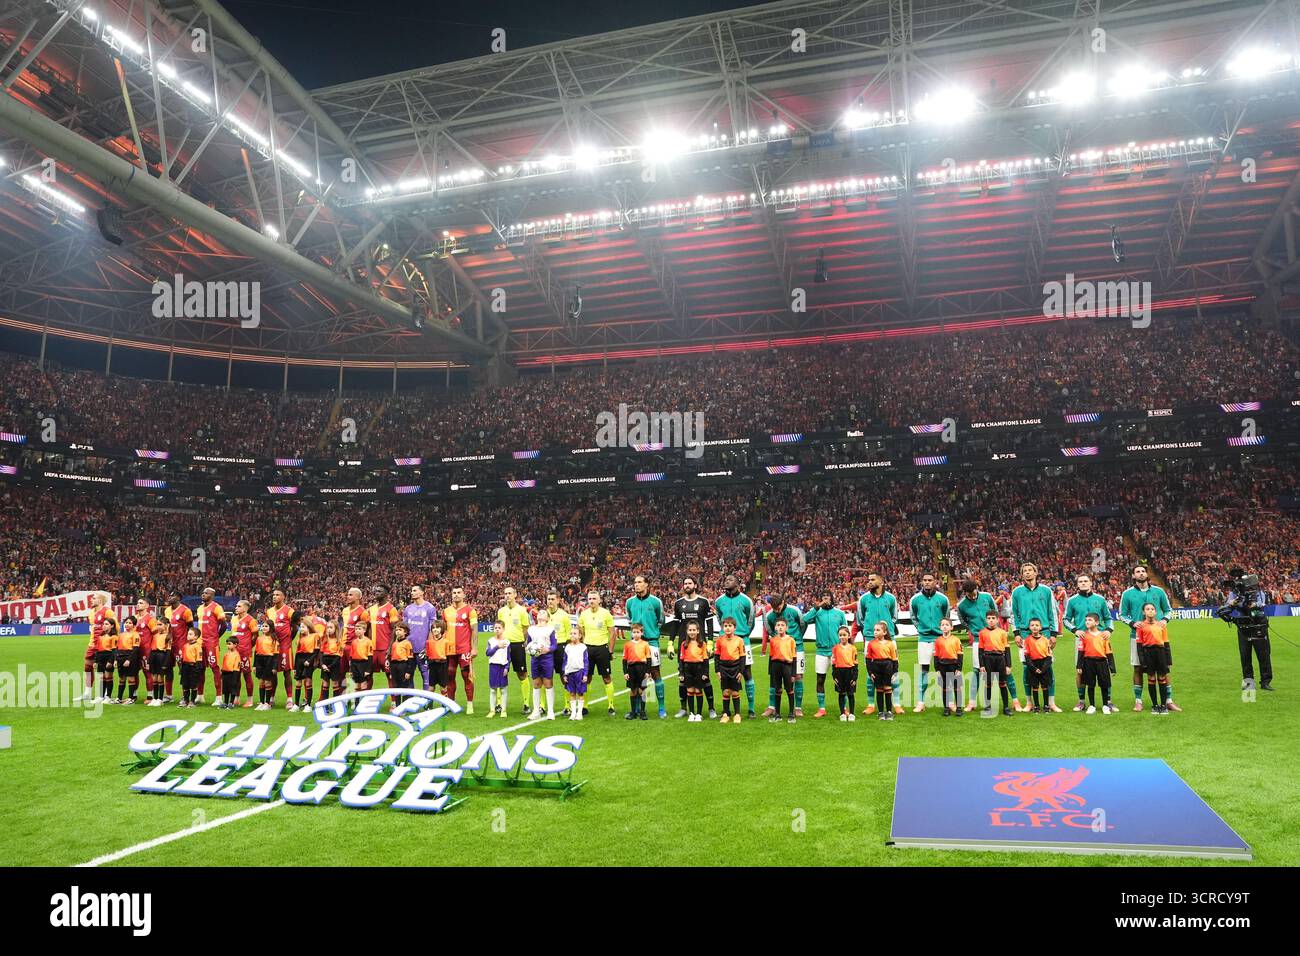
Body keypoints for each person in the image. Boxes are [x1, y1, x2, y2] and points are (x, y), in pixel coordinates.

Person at [1118, 566, 1178, 712]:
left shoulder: (1159, 591)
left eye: (1143, 571)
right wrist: (1132, 623)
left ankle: (1168, 700)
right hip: (1137, 637)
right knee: (1138, 667)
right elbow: (1122, 614)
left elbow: (1168, 610)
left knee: (1164, 669)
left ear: (1147, 574)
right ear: (1133, 575)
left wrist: (1164, 620)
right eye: (1137, 571)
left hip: (1158, 636)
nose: (1141, 573)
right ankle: (1138, 701)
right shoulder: (1127, 594)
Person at [1011, 563, 1059, 711]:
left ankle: (1051, 702)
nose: (1027, 573)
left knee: (1048, 668)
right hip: (1025, 633)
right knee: (1027, 669)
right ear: (1022, 574)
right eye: (1024, 571)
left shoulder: (1046, 591)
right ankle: (1029, 702)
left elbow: (1052, 612)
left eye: (1030, 570)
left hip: (1044, 632)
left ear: (1036, 572)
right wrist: (1017, 633)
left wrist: (1054, 633)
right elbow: (1014, 614)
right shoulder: (1017, 592)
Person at [1063, 573, 1112, 712]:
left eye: (1086, 581)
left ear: (1091, 583)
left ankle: (1107, 701)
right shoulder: (1072, 601)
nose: (1083, 583)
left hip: (1100, 637)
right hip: (1082, 638)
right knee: (1080, 670)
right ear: (1077, 584)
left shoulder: (1100, 599)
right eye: (1081, 581)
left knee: (1105, 670)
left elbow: (1108, 618)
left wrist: (1108, 629)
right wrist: (1074, 629)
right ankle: (1082, 701)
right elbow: (1066, 619)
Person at [714, 574, 756, 718]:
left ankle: (751, 709)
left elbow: (751, 622)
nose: (727, 581)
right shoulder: (719, 601)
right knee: (724, 675)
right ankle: (727, 710)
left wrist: (743, 635)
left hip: (743, 640)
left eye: (730, 579)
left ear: (738, 583)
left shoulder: (746, 601)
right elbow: (720, 619)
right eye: (726, 579)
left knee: (747, 673)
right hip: (724, 641)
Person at [626, 575, 668, 718]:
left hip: (651, 642)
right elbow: (629, 619)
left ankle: (661, 708)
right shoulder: (630, 602)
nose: (636, 585)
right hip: (636, 643)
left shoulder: (656, 602)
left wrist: (651, 631)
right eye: (635, 582)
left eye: (639, 582)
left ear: (646, 585)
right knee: (637, 675)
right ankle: (638, 708)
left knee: (655, 673)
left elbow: (661, 620)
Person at [802, 589, 848, 718]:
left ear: (832, 598)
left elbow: (845, 631)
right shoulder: (817, 613)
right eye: (823, 597)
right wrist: (818, 607)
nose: (826, 599)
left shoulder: (839, 613)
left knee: (841, 680)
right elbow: (805, 619)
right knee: (820, 679)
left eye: (828, 596)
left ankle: (844, 708)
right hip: (821, 651)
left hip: (837, 651)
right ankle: (822, 708)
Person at [909, 573, 950, 713]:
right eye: (925, 580)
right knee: (924, 671)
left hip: (940, 639)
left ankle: (949, 701)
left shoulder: (943, 599)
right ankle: (921, 702)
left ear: (935, 582)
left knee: (945, 671)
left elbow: (946, 617)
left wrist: (942, 631)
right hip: (924, 639)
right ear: (922, 582)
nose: (927, 582)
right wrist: (921, 629)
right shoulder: (915, 600)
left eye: (930, 580)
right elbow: (913, 617)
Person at [672, 577, 713, 718]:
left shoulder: (703, 602)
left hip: (701, 644)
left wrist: (711, 642)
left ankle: (711, 708)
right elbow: (676, 624)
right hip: (684, 645)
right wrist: (671, 642)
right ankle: (684, 708)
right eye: (685, 583)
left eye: (689, 583)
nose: (687, 585)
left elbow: (709, 623)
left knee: (705, 677)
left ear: (695, 585)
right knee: (682, 677)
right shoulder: (678, 603)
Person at [955, 579, 997, 713]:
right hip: (978, 640)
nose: (972, 596)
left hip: (994, 637)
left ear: (977, 588)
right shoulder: (961, 605)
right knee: (977, 671)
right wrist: (973, 629)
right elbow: (963, 621)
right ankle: (972, 702)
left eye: (973, 593)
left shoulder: (987, 597)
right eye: (969, 595)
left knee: (1002, 670)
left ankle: (1013, 701)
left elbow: (995, 612)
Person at [763, 593, 804, 717]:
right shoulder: (770, 615)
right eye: (774, 608)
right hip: (778, 647)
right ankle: (772, 706)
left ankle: (797, 707)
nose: (776, 610)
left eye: (778, 608)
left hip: (796, 646)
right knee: (774, 678)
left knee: (798, 676)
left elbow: (802, 625)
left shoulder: (794, 610)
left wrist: (795, 639)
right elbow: (770, 630)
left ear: (783, 602)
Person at [578, 589, 618, 717]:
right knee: (586, 678)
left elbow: (612, 633)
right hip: (588, 649)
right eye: (589, 599)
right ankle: (584, 706)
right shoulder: (583, 614)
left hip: (602, 649)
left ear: (599, 600)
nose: (591, 601)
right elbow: (581, 632)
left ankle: (611, 705)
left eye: (594, 599)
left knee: (606, 677)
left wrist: (610, 650)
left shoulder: (606, 614)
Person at [497, 586, 532, 716]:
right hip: (504, 645)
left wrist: (522, 641)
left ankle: (526, 703)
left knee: (522, 673)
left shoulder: (522, 611)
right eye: (505, 593)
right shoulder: (501, 611)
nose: (507, 595)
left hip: (517, 645)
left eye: (510, 593)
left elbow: (525, 628)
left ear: (515, 595)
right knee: (501, 673)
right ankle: (499, 704)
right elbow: (499, 627)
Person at [442, 586, 477, 714]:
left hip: (464, 650)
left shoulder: (470, 610)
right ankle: (451, 704)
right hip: (449, 650)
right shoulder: (446, 611)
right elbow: (444, 630)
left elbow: (474, 630)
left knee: (466, 676)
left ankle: (469, 704)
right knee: (449, 676)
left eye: (458, 593)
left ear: (463, 595)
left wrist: (474, 648)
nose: (456, 595)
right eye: (454, 592)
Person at [78, 591, 115, 703]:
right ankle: (87, 693)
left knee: (102, 669)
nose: (91, 600)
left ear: (100, 600)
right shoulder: (91, 613)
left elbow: (115, 626)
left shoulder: (107, 611)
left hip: (104, 644)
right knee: (87, 667)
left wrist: (112, 642)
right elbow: (93, 628)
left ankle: (103, 695)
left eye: (94, 598)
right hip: (92, 644)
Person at [1135, 603, 1172, 714]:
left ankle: (1163, 705)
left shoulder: (1161, 625)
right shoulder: (1141, 626)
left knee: (1162, 678)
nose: (1150, 611)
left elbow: (1166, 643)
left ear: (1156, 612)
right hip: (1148, 653)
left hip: (1160, 653)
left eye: (1152, 609)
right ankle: (1155, 705)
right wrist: (1142, 661)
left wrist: (1168, 660)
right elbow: (1139, 645)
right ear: (1143, 612)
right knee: (1151, 679)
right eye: (1147, 609)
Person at [977, 610, 1013, 717]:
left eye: (993, 618)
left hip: (1000, 659)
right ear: (986, 620)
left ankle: (1006, 707)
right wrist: (982, 665)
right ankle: (987, 707)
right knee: (988, 684)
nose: (991, 620)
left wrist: (1008, 665)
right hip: (988, 658)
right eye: (989, 618)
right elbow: (980, 650)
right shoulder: (982, 633)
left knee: (1002, 683)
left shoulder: (1002, 632)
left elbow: (1007, 649)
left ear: (997, 620)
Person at [1080, 613, 1116, 714]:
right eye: (1086, 620)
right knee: (1090, 685)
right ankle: (1092, 705)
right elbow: (1081, 651)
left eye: (1090, 620)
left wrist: (1112, 667)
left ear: (1096, 622)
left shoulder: (1103, 636)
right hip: (1088, 662)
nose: (1087, 622)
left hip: (1102, 662)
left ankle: (1105, 705)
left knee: (1104, 684)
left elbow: (1109, 652)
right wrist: (1079, 665)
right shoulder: (1084, 635)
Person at [195, 588, 227, 706]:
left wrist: (216, 637)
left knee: (215, 668)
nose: (203, 594)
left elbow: (223, 625)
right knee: (200, 668)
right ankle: (200, 696)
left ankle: (219, 697)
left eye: (206, 593)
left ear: (212, 595)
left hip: (211, 643)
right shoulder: (199, 608)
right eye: (202, 592)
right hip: (200, 643)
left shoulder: (217, 607)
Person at [403, 585, 438, 691]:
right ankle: (410, 702)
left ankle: (427, 703)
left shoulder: (430, 608)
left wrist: (428, 647)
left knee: (426, 676)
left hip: (423, 649)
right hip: (408, 650)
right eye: (411, 590)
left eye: (414, 590)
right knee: (408, 676)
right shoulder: (408, 609)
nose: (412, 592)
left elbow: (432, 629)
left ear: (422, 593)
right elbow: (404, 629)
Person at [266, 589, 296, 706]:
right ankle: (272, 697)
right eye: (274, 595)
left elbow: (295, 627)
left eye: (278, 595)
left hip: (285, 646)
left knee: (286, 672)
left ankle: (289, 698)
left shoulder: (289, 611)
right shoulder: (269, 611)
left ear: (283, 597)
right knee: (272, 672)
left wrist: (288, 640)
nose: (274, 597)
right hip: (272, 646)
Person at [527, 609, 558, 720]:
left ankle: (550, 711)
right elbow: (528, 643)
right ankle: (536, 711)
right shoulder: (531, 629)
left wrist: (547, 649)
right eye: (539, 612)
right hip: (535, 659)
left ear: (548, 618)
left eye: (544, 612)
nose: (541, 613)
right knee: (536, 684)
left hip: (547, 658)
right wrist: (529, 649)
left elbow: (555, 645)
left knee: (548, 683)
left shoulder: (550, 629)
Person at [714, 617, 746, 724]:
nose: (727, 628)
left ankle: (737, 714)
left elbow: (742, 657)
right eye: (725, 626)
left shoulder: (739, 640)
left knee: (735, 691)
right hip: (723, 668)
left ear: (734, 628)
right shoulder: (719, 640)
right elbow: (716, 656)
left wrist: (741, 671)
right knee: (726, 691)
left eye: (730, 626)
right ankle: (726, 714)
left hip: (735, 668)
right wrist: (717, 670)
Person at [865, 622, 899, 722]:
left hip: (888, 666)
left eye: (878, 630)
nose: (875, 632)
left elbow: (894, 659)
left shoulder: (890, 643)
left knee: (888, 689)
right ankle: (880, 712)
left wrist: (895, 672)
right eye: (874, 630)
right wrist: (870, 672)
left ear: (884, 632)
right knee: (879, 689)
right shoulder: (871, 644)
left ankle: (889, 711)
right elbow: (868, 659)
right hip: (876, 667)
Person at [767, 616, 798, 723]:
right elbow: (770, 657)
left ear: (786, 628)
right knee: (778, 690)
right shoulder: (772, 640)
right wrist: (770, 671)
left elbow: (794, 657)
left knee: (789, 689)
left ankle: (791, 714)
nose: (780, 627)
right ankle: (777, 714)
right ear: (775, 627)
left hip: (787, 666)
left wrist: (793, 673)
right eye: (778, 625)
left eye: (782, 625)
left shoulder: (791, 640)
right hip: (776, 666)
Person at [229, 600, 258, 708]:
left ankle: (250, 700)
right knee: (235, 675)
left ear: (245, 608)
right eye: (236, 605)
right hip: (234, 652)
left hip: (245, 652)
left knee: (247, 675)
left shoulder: (251, 620)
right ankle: (236, 698)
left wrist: (249, 646)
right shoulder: (234, 619)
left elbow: (255, 635)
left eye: (239, 606)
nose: (236, 607)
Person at [369, 586, 400, 689]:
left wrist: (390, 648)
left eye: (379, 591)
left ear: (386, 594)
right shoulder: (371, 609)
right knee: (367, 675)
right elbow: (368, 628)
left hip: (385, 649)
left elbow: (395, 630)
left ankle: (394, 702)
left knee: (390, 675)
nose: (376, 592)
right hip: (372, 649)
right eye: (376, 590)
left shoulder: (391, 609)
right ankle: (365, 700)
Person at [680, 622, 711, 722]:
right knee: (690, 691)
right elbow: (681, 660)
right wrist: (681, 673)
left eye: (694, 630)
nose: (692, 632)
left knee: (698, 691)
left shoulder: (702, 644)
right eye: (690, 630)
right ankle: (692, 713)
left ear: (698, 631)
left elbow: (706, 660)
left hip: (699, 668)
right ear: (687, 631)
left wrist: (705, 673)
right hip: (687, 668)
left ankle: (699, 714)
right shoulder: (684, 644)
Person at [162, 593, 191, 703]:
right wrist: (168, 634)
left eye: (172, 596)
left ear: (178, 598)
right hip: (170, 644)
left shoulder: (185, 610)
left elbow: (191, 627)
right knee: (168, 669)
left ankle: (185, 696)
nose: (169, 597)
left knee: (183, 670)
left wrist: (188, 643)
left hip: (181, 644)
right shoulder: (167, 610)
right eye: (169, 596)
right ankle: (169, 695)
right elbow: (167, 625)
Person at [933, 617, 964, 717]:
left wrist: (959, 668)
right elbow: (936, 655)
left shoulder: (956, 640)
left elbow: (960, 655)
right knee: (945, 688)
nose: (945, 627)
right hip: (942, 666)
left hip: (954, 665)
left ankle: (959, 708)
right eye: (943, 625)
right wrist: (937, 668)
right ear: (940, 627)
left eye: (947, 625)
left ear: (951, 627)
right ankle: (946, 708)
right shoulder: (938, 641)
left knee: (957, 687)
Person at [1022, 618, 1053, 714]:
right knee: (1034, 686)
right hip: (1033, 665)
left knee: (1045, 686)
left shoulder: (1045, 640)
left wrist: (1043, 669)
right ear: (1029, 627)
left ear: (1040, 627)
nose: (1034, 627)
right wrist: (1034, 668)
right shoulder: (1027, 640)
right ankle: (1036, 706)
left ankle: (1046, 705)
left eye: (1036, 625)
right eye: (1032, 625)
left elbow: (1049, 656)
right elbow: (1027, 656)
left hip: (1043, 665)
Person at [135, 598, 163, 705]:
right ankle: (133, 695)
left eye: (141, 603)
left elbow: (156, 635)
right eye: (137, 603)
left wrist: (153, 649)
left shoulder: (150, 619)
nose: (138, 604)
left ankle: (150, 696)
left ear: (147, 606)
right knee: (133, 672)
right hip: (135, 650)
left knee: (147, 672)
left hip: (146, 650)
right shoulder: (134, 618)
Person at [622, 622, 652, 721]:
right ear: (631, 633)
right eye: (634, 632)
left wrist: (647, 672)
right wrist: (625, 672)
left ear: (641, 633)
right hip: (631, 669)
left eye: (637, 632)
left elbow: (648, 659)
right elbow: (624, 660)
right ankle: (633, 712)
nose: (636, 634)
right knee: (633, 690)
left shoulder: (645, 644)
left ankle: (642, 712)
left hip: (642, 668)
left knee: (642, 690)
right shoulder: (627, 645)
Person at [293, 613, 322, 709]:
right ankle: (296, 705)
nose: (301, 629)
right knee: (298, 682)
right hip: (300, 660)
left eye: (303, 627)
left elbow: (316, 651)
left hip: (308, 659)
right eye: (300, 627)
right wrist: (294, 667)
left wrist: (309, 661)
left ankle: (308, 705)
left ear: (309, 627)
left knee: (308, 681)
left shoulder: (315, 636)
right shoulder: (300, 639)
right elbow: (297, 653)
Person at [831, 625, 859, 721]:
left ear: (849, 636)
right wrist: (834, 676)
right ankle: (842, 713)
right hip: (839, 672)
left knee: (850, 694)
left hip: (850, 672)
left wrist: (855, 677)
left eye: (844, 635)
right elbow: (833, 664)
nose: (842, 637)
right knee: (841, 693)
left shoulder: (853, 648)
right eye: (840, 635)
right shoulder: (835, 648)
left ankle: (852, 713)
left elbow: (855, 664)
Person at [146, 609, 172, 706]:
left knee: (160, 678)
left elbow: (168, 651)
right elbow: (151, 649)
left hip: (162, 656)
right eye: (157, 624)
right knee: (154, 678)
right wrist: (149, 661)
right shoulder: (155, 635)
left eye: (160, 624)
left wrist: (165, 663)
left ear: (166, 625)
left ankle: (160, 699)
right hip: (154, 656)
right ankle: (155, 698)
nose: (158, 626)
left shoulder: (168, 636)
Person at [486, 620, 512, 718]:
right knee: (493, 690)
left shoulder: (507, 642)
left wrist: (507, 667)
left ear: (503, 629)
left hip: (502, 667)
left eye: (499, 628)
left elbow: (509, 657)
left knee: (503, 689)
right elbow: (488, 653)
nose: (497, 630)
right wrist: (497, 646)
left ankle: (503, 710)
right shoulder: (490, 641)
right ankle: (492, 710)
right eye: (495, 628)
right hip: (493, 666)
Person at [562, 629, 590, 720]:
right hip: (570, 673)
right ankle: (573, 713)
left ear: (580, 636)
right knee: (572, 693)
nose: (572, 635)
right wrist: (565, 674)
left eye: (575, 633)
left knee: (580, 693)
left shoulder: (583, 647)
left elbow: (586, 661)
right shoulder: (567, 647)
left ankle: (579, 713)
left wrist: (585, 674)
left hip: (579, 672)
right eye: (571, 634)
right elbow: (565, 661)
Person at [114, 615, 141, 705]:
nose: (127, 624)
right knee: (121, 678)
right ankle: (119, 698)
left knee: (131, 678)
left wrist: (129, 660)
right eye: (126, 622)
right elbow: (117, 648)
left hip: (130, 657)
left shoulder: (135, 634)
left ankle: (131, 698)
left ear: (134, 625)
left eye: (130, 623)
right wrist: (115, 660)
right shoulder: (121, 635)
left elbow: (136, 649)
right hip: (120, 658)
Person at [253, 620, 279, 710]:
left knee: (268, 682)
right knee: (261, 682)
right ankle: (261, 702)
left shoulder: (274, 639)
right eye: (263, 626)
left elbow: (276, 654)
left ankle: (267, 703)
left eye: (266, 626)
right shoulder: (259, 638)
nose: (264, 628)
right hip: (260, 660)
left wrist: (274, 667)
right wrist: (254, 665)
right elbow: (256, 652)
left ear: (271, 628)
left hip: (269, 660)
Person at [94, 611, 118, 704]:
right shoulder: (100, 636)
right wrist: (95, 660)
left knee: (108, 677)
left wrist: (111, 661)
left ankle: (108, 697)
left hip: (108, 657)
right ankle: (101, 696)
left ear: (112, 626)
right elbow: (97, 649)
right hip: (100, 657)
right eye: (103, 624)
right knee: (101, 678)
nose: (104, 626)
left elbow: (114, 650)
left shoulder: (114, 637)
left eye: (106, 624)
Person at [179, 624, 204, 708]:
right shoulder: (185, 646)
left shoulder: (197, 646)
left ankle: (192, 701)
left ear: (196, 637)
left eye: (190, 634)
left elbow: (199, 659)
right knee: (185, 684)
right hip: (185, 667)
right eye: (188, 634)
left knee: (193, 685)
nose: (188, 636)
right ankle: (185, 700)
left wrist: (197, 669)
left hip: (193, 667)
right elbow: (182, 657)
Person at [320, 621, 346, 700]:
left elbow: (338, 656)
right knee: (325, 683)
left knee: (335, 683)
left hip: (334, 664)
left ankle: (335, 703)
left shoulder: (339, 641)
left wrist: (330, 666)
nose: (329, 629)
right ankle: (325, 704)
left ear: (336, 629)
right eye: (328, 627)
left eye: (331, 627)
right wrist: (322, 665)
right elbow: (321, 654)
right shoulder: (324, 640)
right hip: (325, 663)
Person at [388, 622, 415, 691]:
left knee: (404, 686)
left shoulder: (407, 643)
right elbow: (391, 658)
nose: (398, 632)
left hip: (403, 665)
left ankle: (405, 701)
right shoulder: (394, 643)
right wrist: (391, 672)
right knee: (395, 686)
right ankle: (397, 702)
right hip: (394, 666)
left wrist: (408, 672)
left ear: (405, 632)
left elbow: (411, 659)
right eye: (396, 630)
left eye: (400, 630)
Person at [350, 620, 375, 692]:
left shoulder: (368, 641)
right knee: (356, 684)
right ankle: (356, 702)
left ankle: (363, 702)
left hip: (364, 664)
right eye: (356, 629)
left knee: (363, 684)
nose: (357, 631)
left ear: (364, 630)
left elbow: (370, 657)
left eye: (359, 629)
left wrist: (368, 670)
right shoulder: (354, 642)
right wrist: (351, 670)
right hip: (355, 664)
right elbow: (351, 657)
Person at [219, 635, 242, 709]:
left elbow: (237, 667)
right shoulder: (226, 654)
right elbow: (224, 664)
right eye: (227, 644)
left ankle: (231, 702)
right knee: (225, 689)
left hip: (233, 674)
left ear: (235, 645)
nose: (228, 645)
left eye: (229, 644)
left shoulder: (237, 655)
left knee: (232, 689)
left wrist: (235, 677)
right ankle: (225, 702)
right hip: (225, 674)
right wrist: (222, 673)